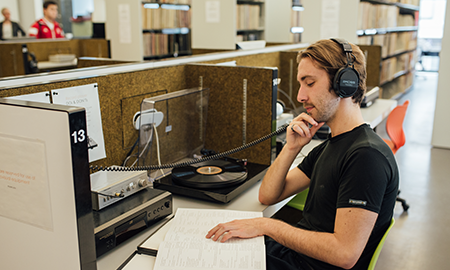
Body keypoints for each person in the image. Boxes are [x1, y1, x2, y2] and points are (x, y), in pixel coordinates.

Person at [206, 38, 399, 270]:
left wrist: (267, 226)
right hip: (294, 257)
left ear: (344, 84)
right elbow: (267, 196)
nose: (300, 96)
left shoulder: (365, 157)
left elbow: (344, 254)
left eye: (309, 83)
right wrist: (291, 147)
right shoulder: (331, 146)